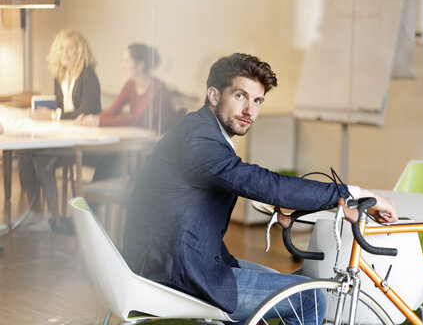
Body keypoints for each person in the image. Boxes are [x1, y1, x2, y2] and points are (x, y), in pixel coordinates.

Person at [122, 53, 398, 324]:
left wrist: (289, 200)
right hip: (178, 272)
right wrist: (356, 194)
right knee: (310, 298)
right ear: (214, 95)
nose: (249, 111)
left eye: (257, 101)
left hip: (174, 260)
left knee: (296, 283)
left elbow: (248, 185)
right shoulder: (200, 142)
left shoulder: (199, 129)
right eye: (240, 96)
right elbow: (261, 182)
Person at [19, 29, 101, 234]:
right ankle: (35, 210)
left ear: (80, 51)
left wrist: (53, 115)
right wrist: (40, 112)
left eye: (70, 48)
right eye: (62, 49)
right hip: (64, 138)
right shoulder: (61, 76)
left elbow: (85, 112)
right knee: (24, 155)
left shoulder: (88, 76)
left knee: (42, 158)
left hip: (82, 143)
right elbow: (61, 109)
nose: (65, 53)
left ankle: (52, 218)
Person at [75, 43, 183, 181]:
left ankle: (111, 202)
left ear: (140, 65)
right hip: (138, 147)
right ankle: (90, 203)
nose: (123, 66)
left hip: (158, 150)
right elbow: (111, 112)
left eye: (127, 61)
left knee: (119, 167)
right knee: (105, 164)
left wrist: (99, 121)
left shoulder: (158, 89)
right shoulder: (130, 85)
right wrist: (88, 118)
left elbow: (139, 120)